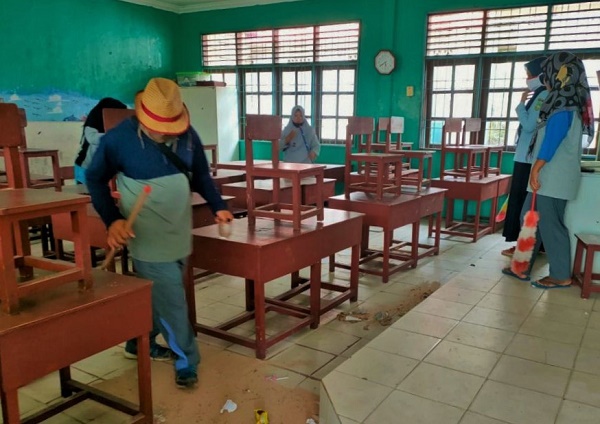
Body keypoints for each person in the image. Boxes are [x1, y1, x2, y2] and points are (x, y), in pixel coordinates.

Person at [86, 77, 234, 388]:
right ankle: (186, 361)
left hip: (179, 233)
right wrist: (112, 220)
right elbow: (95, 179)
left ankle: (136, 342)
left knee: (160, 296)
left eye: (171, 129)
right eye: (157, 128)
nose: (164, 134)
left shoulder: (187, 135)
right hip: (148, 238)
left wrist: (218, 204)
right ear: (141, 114)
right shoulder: (118, 140)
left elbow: (202, 177)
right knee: (172, 302)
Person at [506, 52, 594, 288]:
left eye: (550, 72)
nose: (545, 77)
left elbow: (553, 139)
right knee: (530, 219)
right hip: (547, 175)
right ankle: (522, 266)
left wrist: (536, 168)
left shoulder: (564, 103)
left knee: (551, 225)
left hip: (553, 177)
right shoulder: (560, 100)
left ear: (561, 74)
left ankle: (560, 274)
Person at [501, 57, 548, 258]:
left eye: (529, 74)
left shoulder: (543, 94)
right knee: (523, 203)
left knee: (522, 203)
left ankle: (524, 246)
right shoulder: (541, 94)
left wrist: (520, 104)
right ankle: (525, 244)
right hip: (527, 157)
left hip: (528, 160)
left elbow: (529, 126)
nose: (527, 78)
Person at [74, 97, 127, 184]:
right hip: (86, 168)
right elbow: (92, 138)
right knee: (88, 195)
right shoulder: (92, 124)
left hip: (102, 170)